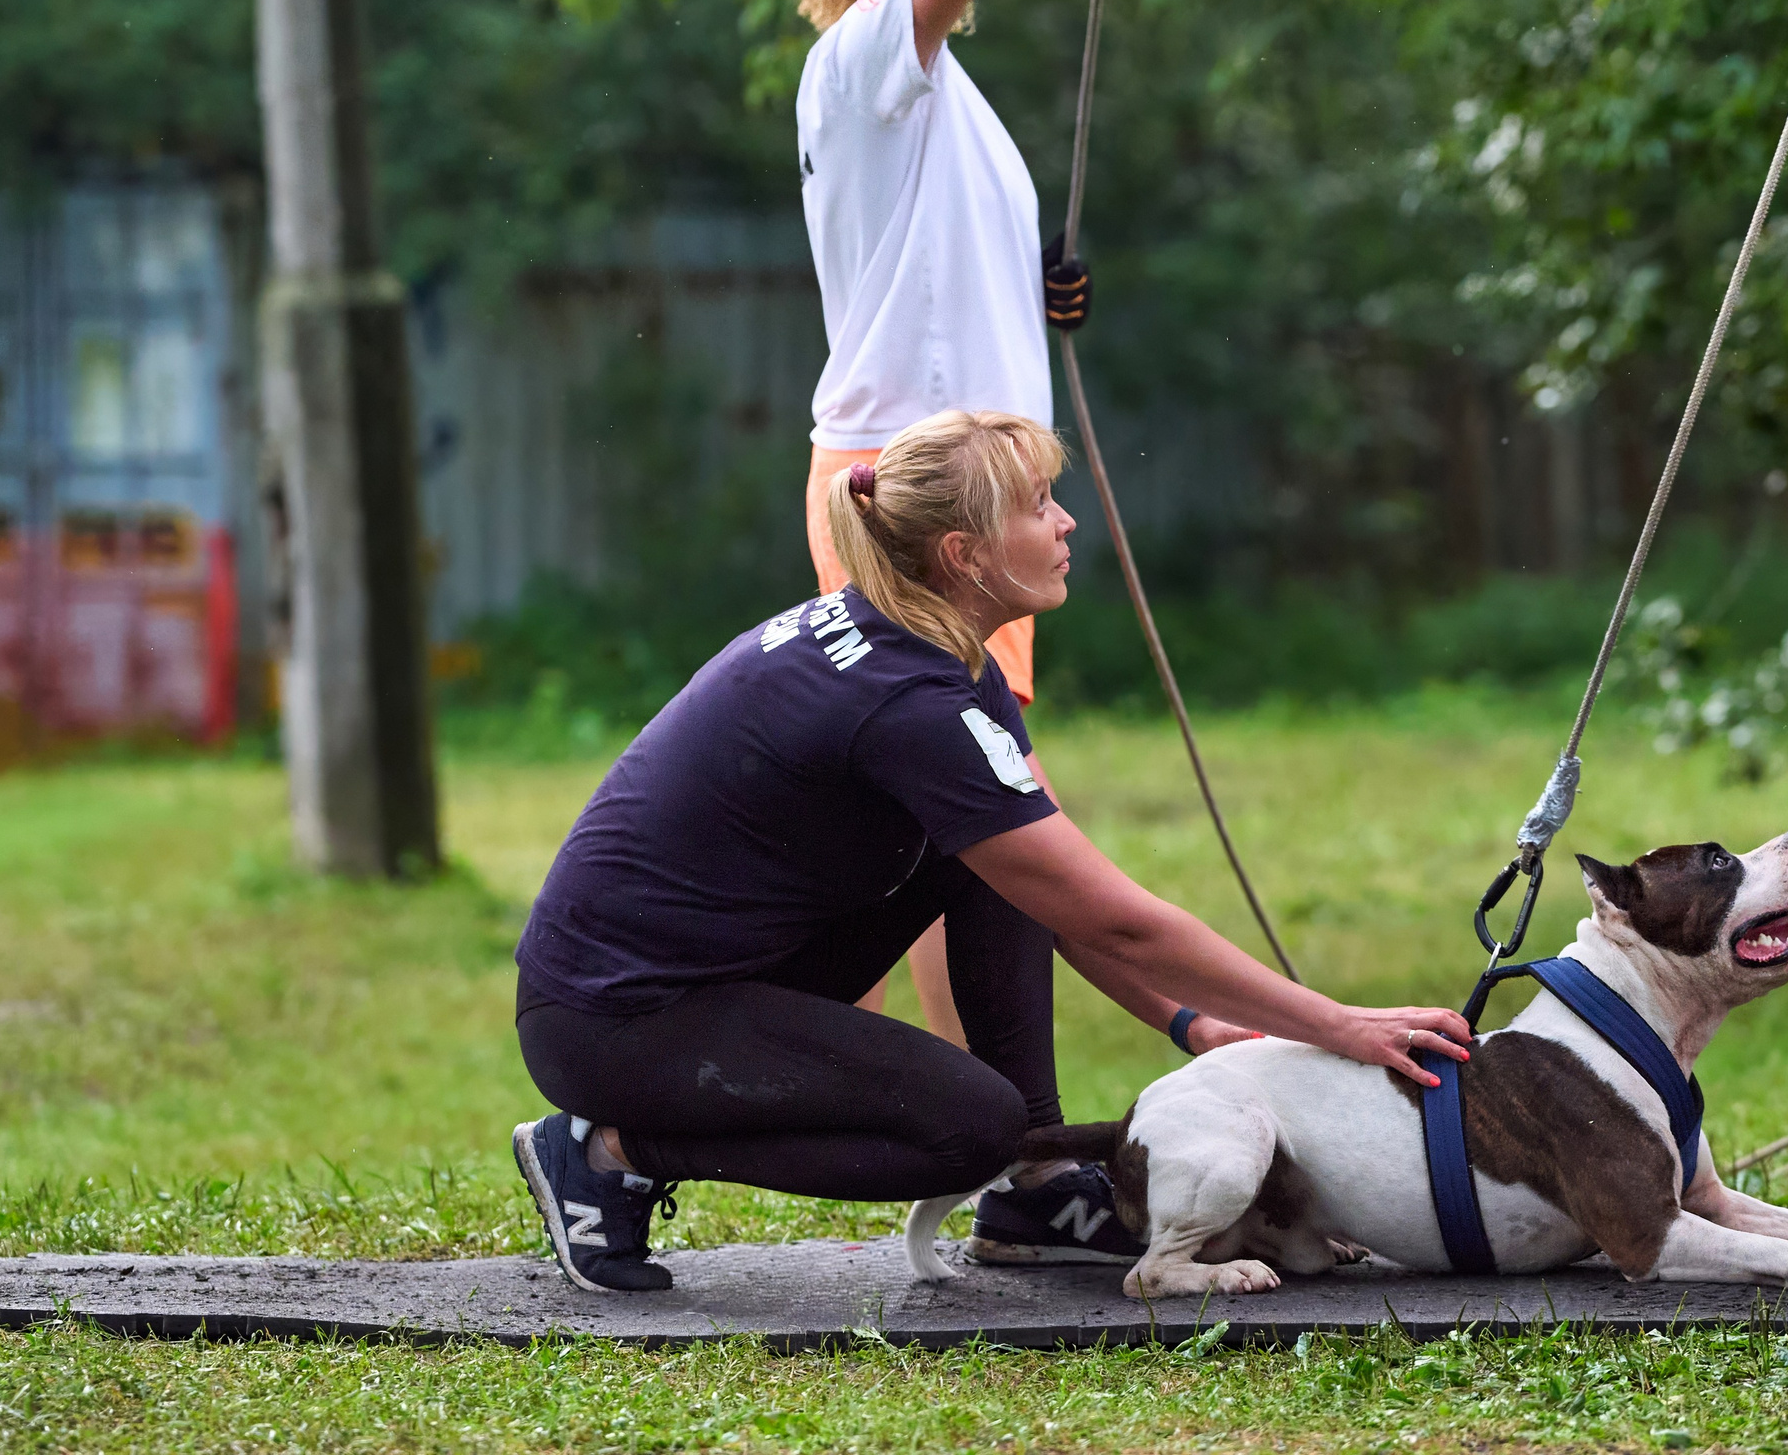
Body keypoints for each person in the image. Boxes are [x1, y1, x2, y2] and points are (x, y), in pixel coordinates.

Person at [510, 411, 1472, 1293]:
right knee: (964, 1129)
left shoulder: (937, 658)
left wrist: (1193, 1027)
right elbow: (1117, 921)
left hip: (725, 971)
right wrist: (1338, 1024)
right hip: (615, 1019)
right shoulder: (908, 702)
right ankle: (610, 1152)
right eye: (1039, 506)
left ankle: (1040, 1187)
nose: (1067, 526)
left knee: (1001, 853)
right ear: (964, 554)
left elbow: (1062, 895)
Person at [789, 0, 1165, 1043]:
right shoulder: (873, 55)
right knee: (967, 826)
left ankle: (1004, 1144)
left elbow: (932, 272)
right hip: (916, 483)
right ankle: (669, 1107)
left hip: (960, 476)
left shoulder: (936, 95)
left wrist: (1028, 290)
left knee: (958, 825)